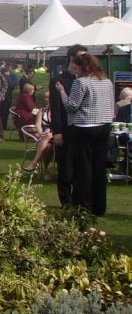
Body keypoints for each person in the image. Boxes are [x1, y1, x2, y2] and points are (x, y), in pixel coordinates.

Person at [56, 53, 114, 216]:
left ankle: (84, 203)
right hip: (103, 125)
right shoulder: (107, 82)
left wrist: (62, 92)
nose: (74, 71)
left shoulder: (80, 82)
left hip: (84, 126)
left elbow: (71, 107)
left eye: (76, 67)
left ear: (82, 67)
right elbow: (110, 104)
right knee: (99, 167)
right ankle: (99, 205)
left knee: (84, 168)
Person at [49, 44, 88, 208]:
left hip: (82, 130)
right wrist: (57, 131)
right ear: (72, 59)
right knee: (65, 168)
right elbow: (56, 108)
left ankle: (79, 200)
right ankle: (66, 201)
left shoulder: (87, 81)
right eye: (80, 57)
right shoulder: (60, 80)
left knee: (81, 168)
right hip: (65, 129)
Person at [22, 107, 55, 180]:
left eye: (49, 98)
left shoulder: (59, 109)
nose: (47, 99)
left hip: (56, 136)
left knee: (45, 138)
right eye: (46, 97)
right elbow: (37, 124)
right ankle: (46, 171)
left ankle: (34, 163)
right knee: (47, 147)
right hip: (45, 136)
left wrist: (52, 134)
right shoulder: (42, 111)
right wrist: (41, 133)